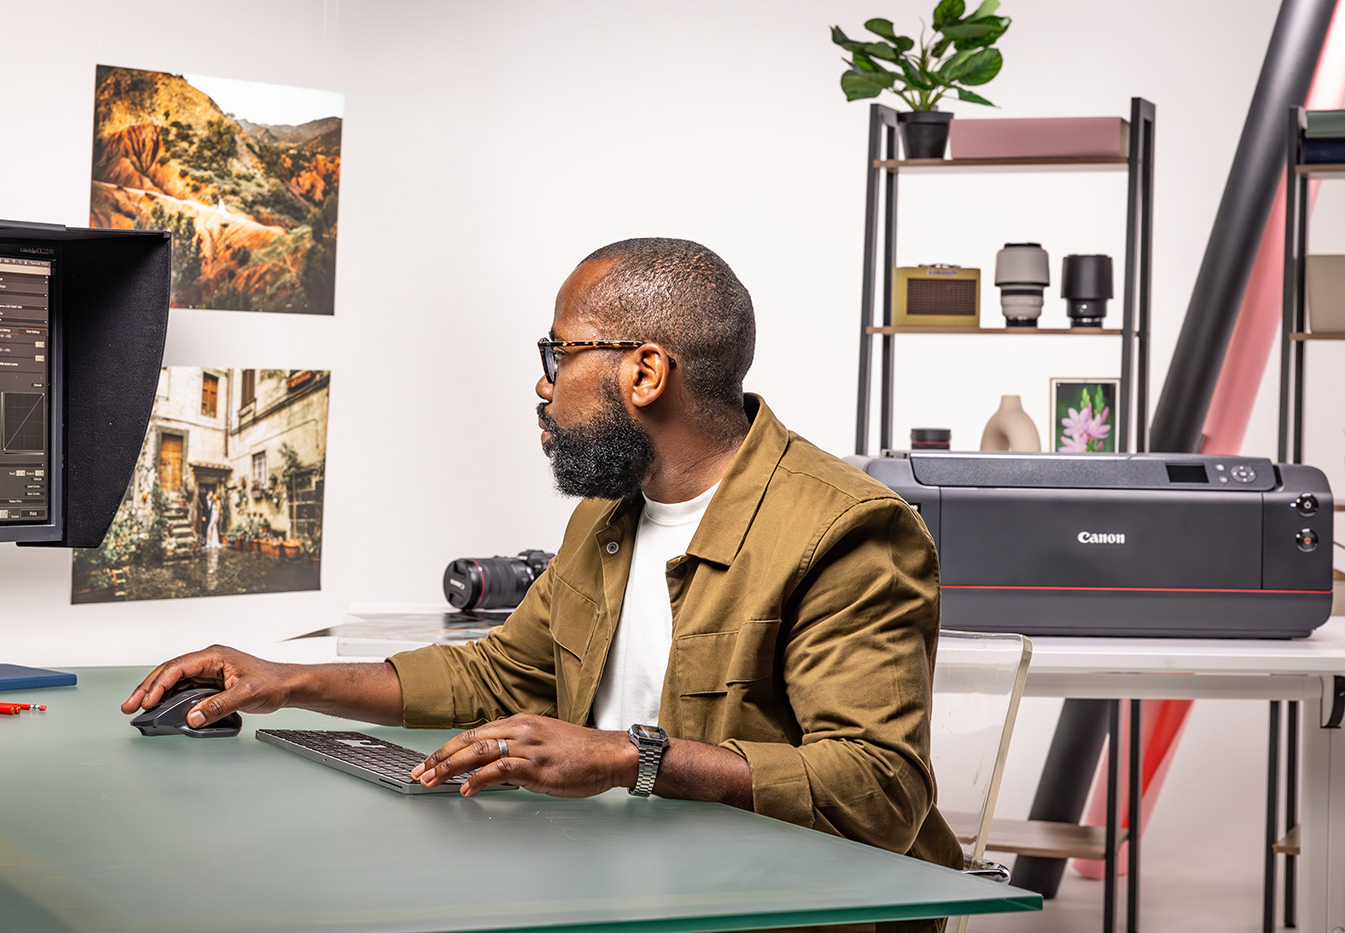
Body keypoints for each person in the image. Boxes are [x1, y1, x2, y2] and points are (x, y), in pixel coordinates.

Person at [122, 238, 960, 933]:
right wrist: (288, 681)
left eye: (560, 352)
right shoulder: (608, 515)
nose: (543, 380)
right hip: (616, 885)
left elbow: (878, 788)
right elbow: (493, 675)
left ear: (644, 372)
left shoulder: (846, 529)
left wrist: (634, 758)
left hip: (773, 911)